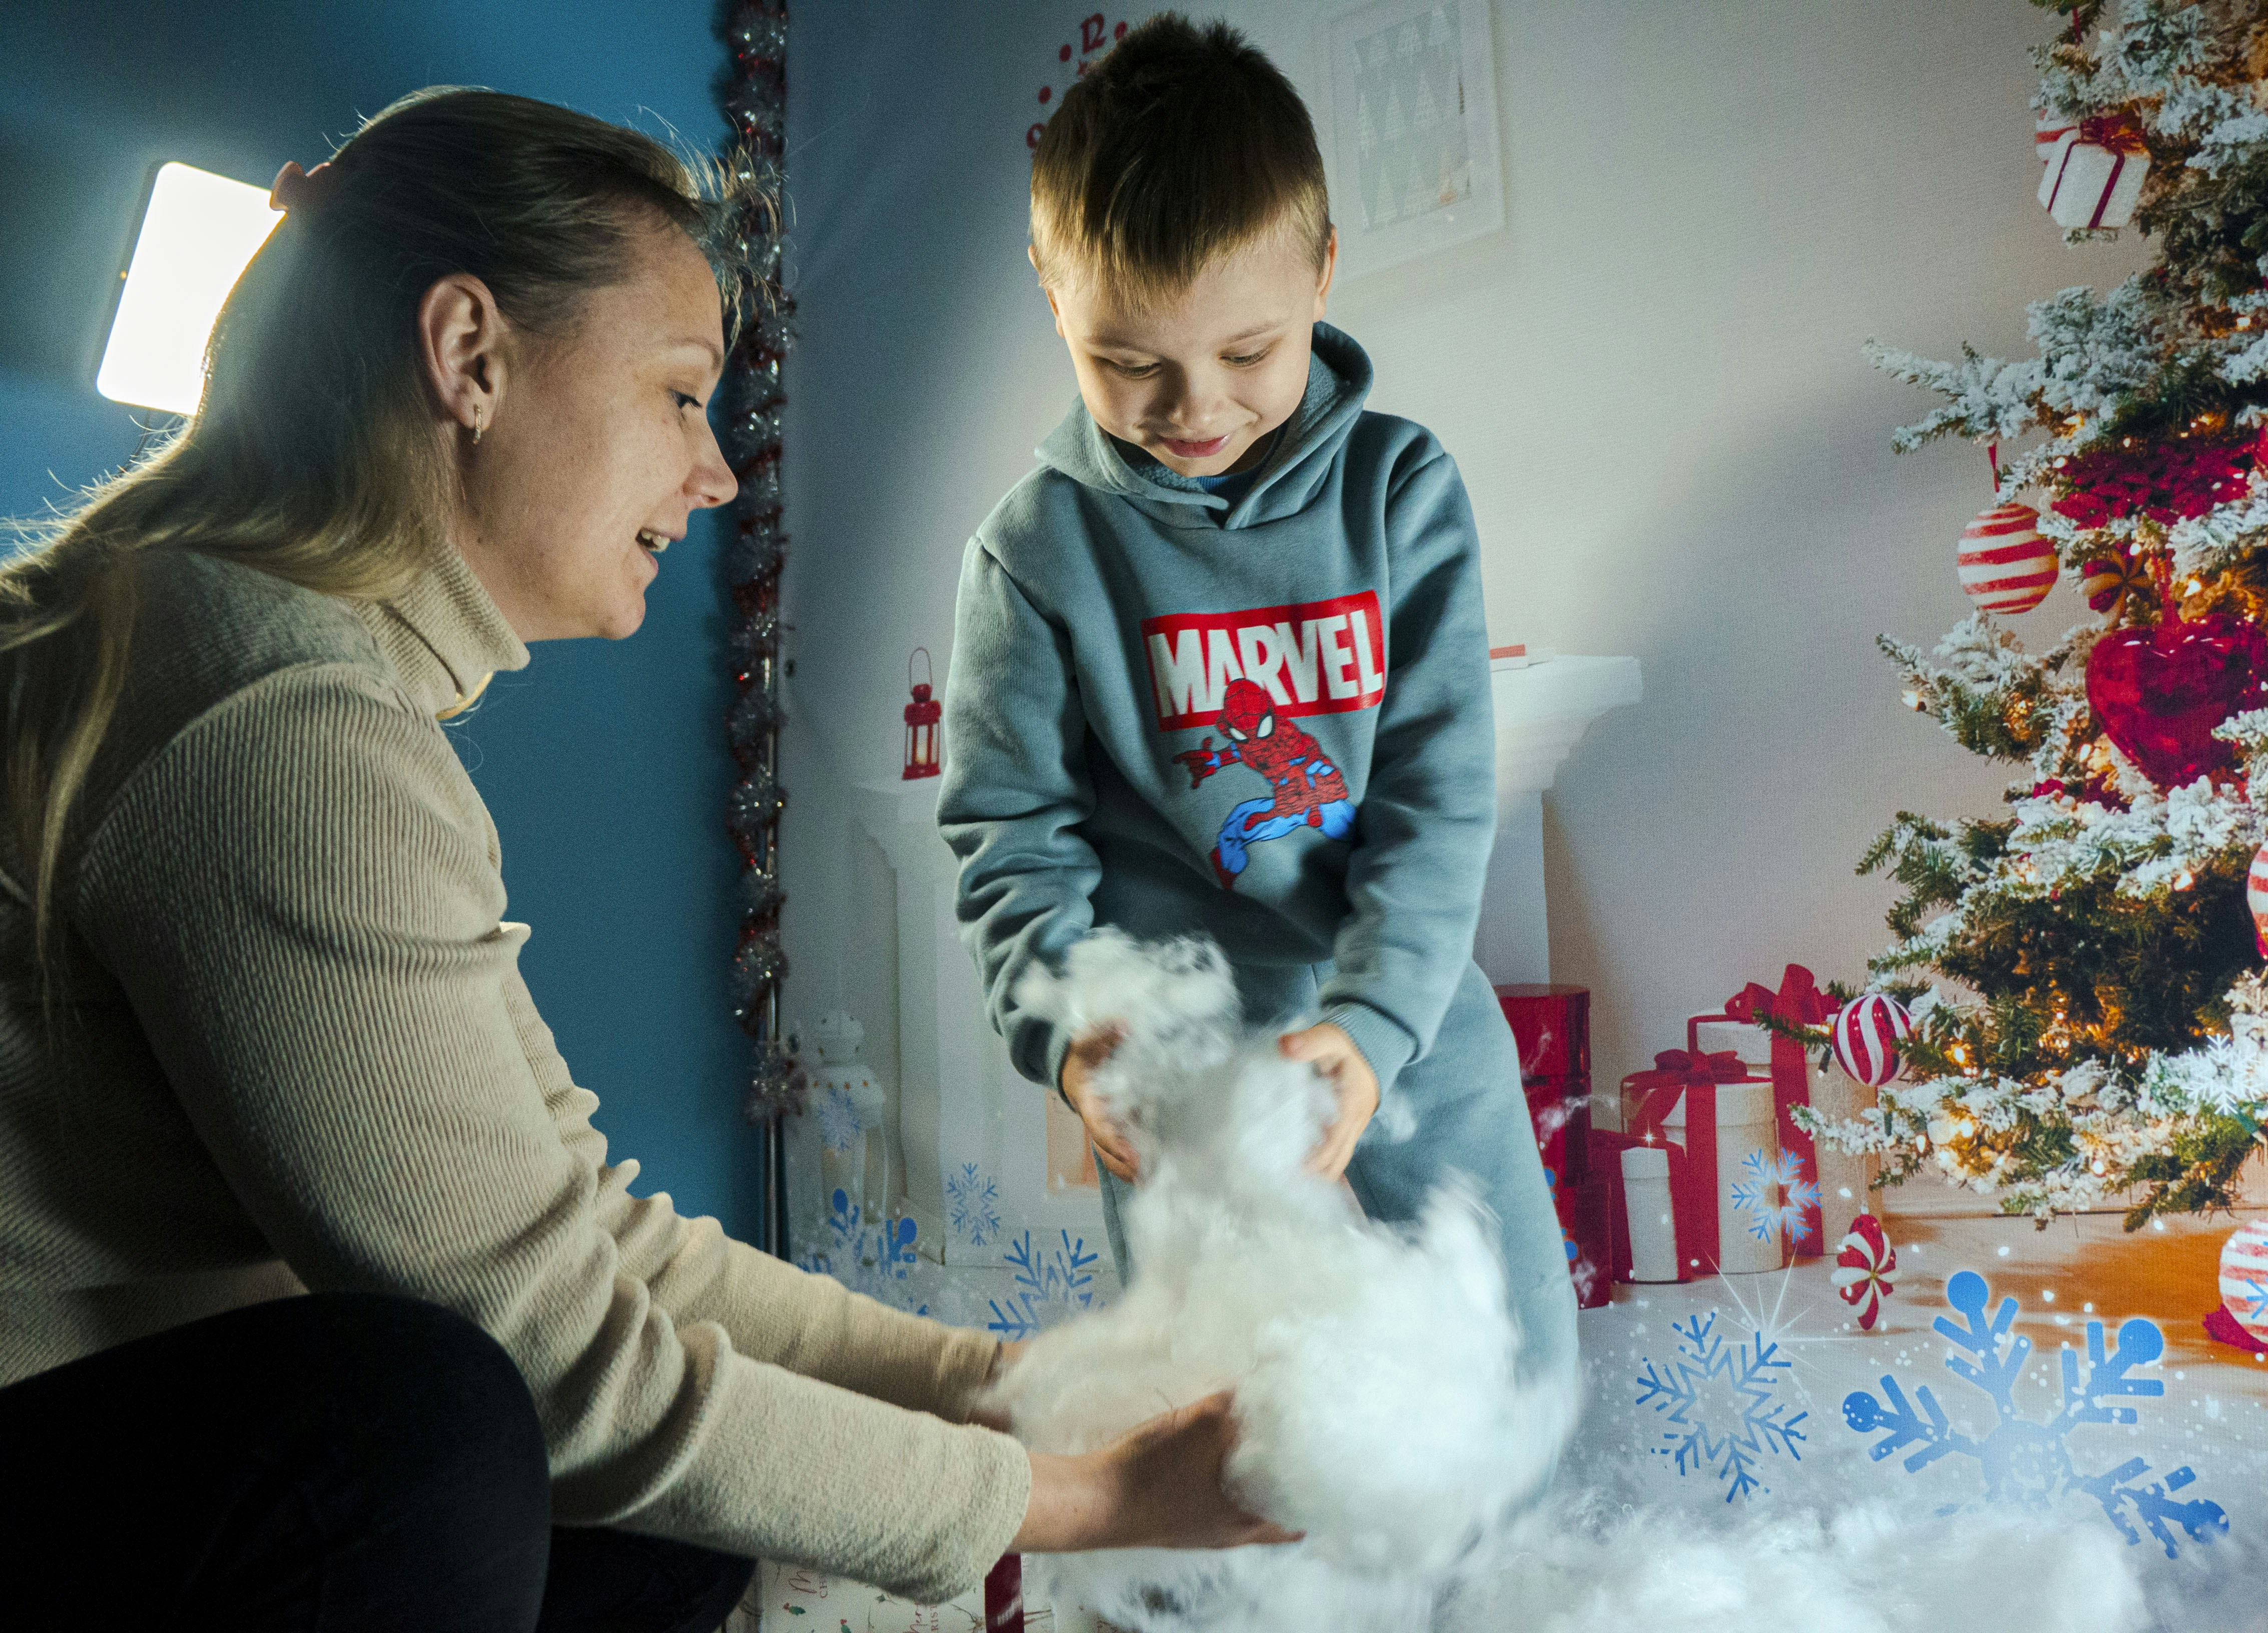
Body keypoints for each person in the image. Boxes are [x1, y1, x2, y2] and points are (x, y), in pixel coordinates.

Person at [0, 87, 1283, 1633]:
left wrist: (1009, 1390)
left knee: (661, 1474)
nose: (718, 472)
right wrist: (1084, 1502)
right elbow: (546, 1350)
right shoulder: (276, 723)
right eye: (681, 396)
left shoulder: (237, 649)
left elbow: (587, 1241)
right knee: (438, 1424)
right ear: (470, 356)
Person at [937, 16, 1578, 1386]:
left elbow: (1439, 792)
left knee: (1512, 1355)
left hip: (1401, 1005)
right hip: (1179, 1065)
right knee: (1233, 1404)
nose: (1195, 407)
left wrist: (1374, 1023)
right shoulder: (1035, 553)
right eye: (1129, 364)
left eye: (1247, 351)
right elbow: (1009, 831)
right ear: (1053, 295)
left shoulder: (1401, 495)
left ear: (1325, 273)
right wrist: (1075, 1034)